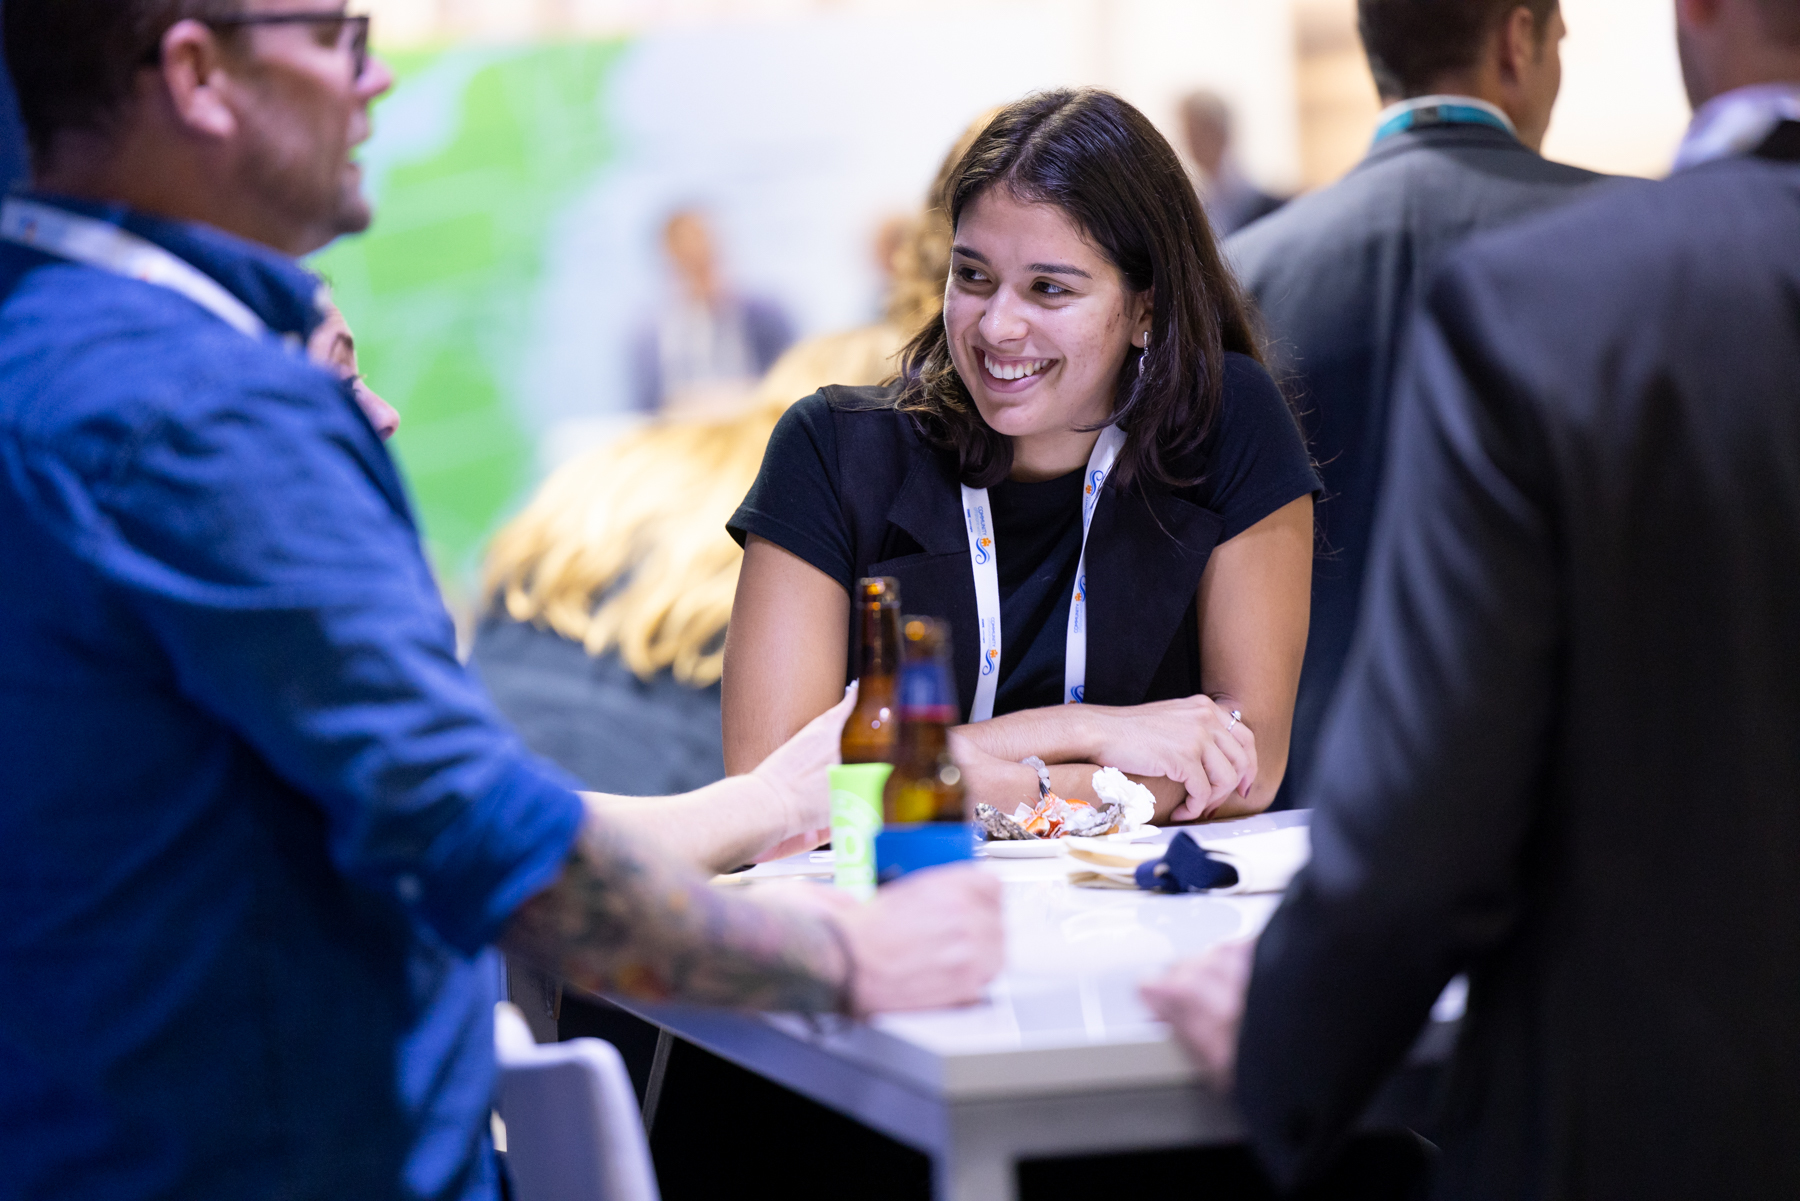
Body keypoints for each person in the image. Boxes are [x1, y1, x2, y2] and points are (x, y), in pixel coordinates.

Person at [0, 4, 1003, 1199]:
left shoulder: (52, 344)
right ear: (198, 72)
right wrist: (847, 953)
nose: (371, 79)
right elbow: (484, 840)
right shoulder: (196, 410)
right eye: (335, 35)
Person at [1143, 0, 1800, 1195]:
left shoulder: (1265, 284)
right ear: (1523, 37)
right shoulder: (1607, 258)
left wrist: (1287, 1053)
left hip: (1602, 1056)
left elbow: (1438, 779)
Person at [725, 89, 1319, 823]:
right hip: (904, 910)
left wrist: (929, 775)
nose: (999, 326)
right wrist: (1089, 733)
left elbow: (1244, 766)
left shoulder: (1226, 420)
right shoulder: (831, 450)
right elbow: (776, 787)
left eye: (1049, 289)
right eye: (973, 276)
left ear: (1146, 311)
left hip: (1145, 918)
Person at [1227, 0, 1610, 809]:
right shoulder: (1642, 243)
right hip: (1579, 799)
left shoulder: (1239, 280)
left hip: (1305, 800)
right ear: (1518, 41)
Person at [629, 207, 795, 415]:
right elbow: (645, 412)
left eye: (704, 254)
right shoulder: (649, 337)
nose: (697, 259)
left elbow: (791, 388)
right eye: (687, 260)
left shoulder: (766, 316)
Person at [1180, 89, 1284, 236]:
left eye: (1193, 131)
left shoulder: (1250, 200)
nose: (1189, 141)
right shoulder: (1206, 199)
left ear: (1216, 131)